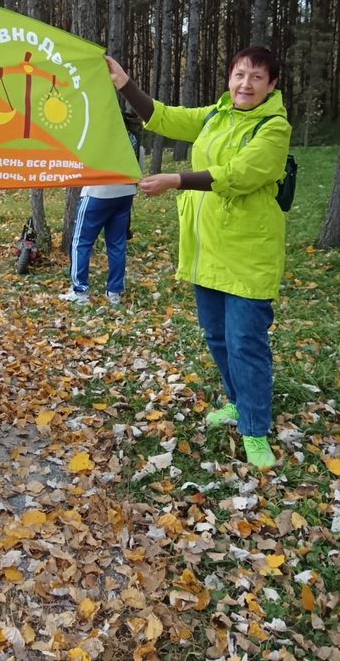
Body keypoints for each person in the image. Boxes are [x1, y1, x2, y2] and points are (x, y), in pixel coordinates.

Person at [105, 46, 291, 470]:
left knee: (246, 342)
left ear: (272, 85)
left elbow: (240, 175)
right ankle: (236, 401)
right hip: (206, 248)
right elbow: (164, 116)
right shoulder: (216, 115)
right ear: (230, 78)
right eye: (240, 75)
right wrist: (124, 83)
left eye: (257, 78)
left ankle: (255, 428)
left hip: (247, 253)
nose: (246, 84)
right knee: (218, 337)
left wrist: (177, 179)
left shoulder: (274, 128)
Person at [60, 118, 140, 306]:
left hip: (98, 192)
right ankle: (114, 292)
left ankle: (79, 291)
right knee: (117, 243)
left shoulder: (95, 132)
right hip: (126, 191)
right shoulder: (130, 135)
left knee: (81, 241)